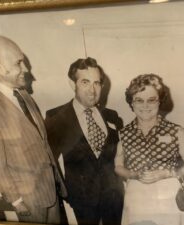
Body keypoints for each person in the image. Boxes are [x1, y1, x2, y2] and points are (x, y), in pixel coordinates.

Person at [0, 35, 67, 224]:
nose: (27, 69)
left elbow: (41, 142)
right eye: (19, 63)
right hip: (28, 200)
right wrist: (16, 199)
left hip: (51, 190)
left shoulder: (23, 94)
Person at [45, 57, 124, 225]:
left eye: (97, 83)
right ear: (72, 84)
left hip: (114, 199)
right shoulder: (55, 118)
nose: (92, 90)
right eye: (85, 82)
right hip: (82, 203)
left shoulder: (112, 116)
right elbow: (49, 164)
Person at [115, 74, 184, 225]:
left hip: (168, 198)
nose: (145, 105)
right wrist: (133, 174)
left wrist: (167, 173)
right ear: (131, 102)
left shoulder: (177, 131)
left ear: (159, 101)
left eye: (151, 100)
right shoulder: (124, 134)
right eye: (139, 100)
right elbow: (118, 166)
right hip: (137, 199)